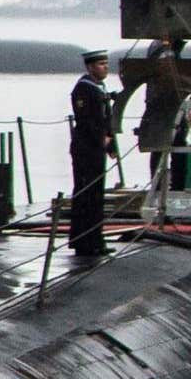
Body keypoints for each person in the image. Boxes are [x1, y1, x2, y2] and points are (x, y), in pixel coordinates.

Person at [69, 49, 118, 261]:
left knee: (97, 195)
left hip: (97, 149)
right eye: (101, 64)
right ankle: (83, 242)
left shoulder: (100, 87)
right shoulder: (82, 89)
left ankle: (96, 240)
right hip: (86, 148)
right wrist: (101, 139)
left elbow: (107, 120)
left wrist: (111, 145)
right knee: (85, 194)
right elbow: (86, 120)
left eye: (106, 63)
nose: (105, 67)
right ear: (90, 67)